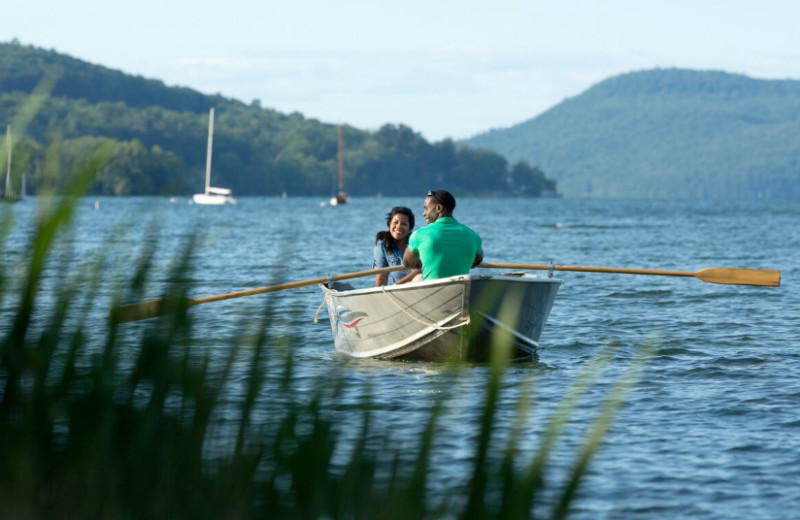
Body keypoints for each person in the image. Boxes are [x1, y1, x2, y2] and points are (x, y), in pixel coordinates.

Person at [403, 190, 483, 280]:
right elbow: (477, 261)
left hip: (431, 292)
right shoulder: (473, 236)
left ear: (439, 208)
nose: (424, 214)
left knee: (417, 278)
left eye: (426, 209)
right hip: (460, 289)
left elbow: (408, 263)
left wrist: (422, 263)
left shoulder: (419, 234)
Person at [372, 206, 421, 286]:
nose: (398, 227)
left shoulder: (417, 241)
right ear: (389, 224)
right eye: (395, 222)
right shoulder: (382, 244)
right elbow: (381, 278)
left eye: (404, 224)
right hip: (400, 291)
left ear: (410, 228)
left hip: (420, 283)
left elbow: (422, 269)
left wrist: (398, 284)